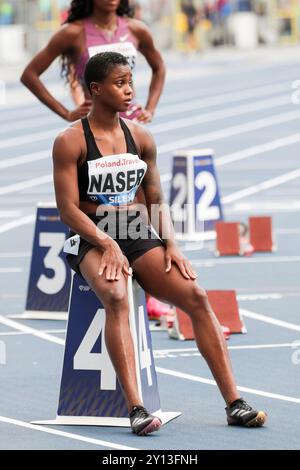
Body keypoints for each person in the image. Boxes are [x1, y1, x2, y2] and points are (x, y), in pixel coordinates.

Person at [52, 51, 267, 435]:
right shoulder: (71, 141)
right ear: (96, 89)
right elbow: (68, 210)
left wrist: (171, 244)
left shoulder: (142, 138)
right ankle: (136, 408)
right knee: (117, 297)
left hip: (136, 232)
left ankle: (234, 402)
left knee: (197, 297)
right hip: (90, 235)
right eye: (120, 84)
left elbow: (155, 199)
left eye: (131, 82)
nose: (130, 90)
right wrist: (106, 243)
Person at [20, 0, 165, 124]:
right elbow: (29, 75)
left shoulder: (136, 29)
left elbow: (159, 67)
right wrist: (66, 113)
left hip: (131, 121)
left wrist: (150, 109)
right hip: (94, 123)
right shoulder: (72, 33)